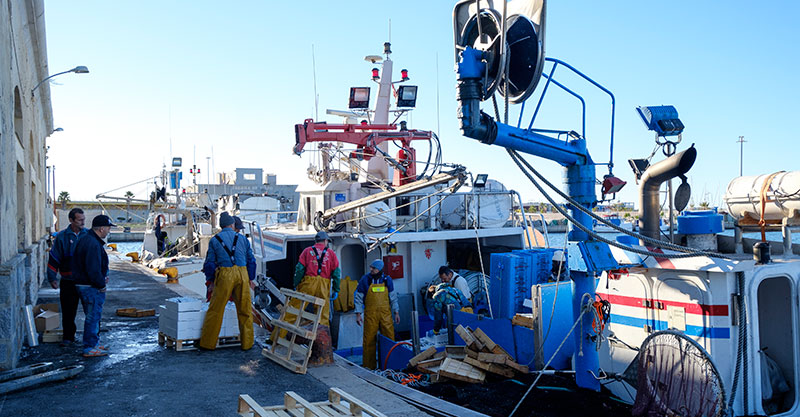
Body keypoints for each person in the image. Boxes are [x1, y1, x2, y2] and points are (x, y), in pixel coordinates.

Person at [200, 212, 257, 350]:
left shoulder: (215, 240)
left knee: (216, 309)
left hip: (225, 274)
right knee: (245, 309)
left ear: (221, 226)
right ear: (232, 225)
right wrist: (250, 278)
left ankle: (208, 344)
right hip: (242, 273)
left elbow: (210, 263)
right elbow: (251, 260)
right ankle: (247, 344)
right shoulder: (243, 239)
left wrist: (211, 281)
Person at [72, 214, 115, 357]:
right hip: (90, 286)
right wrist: (101, 284)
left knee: (93, 316)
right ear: (101, 228)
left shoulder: (88, 239)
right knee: (93, 316)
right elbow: (93, 269)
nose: (109, 231)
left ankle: (94, 343)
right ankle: (90, 347)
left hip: (85, 284)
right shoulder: (93, 244)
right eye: (108, 228)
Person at [47, 208, 87, 346]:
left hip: (86, 281)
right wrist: (52, 278)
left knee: (91, 312)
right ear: (71, 220)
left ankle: (92, 339)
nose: (83, 222)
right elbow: (54, 257)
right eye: (80, 220)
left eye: (83, 219)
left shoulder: (88, 235)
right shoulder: (62, 237)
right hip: (68, 281)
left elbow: (99, 257)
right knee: (68, 311)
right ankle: (68, 337)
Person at [285, 231, 340, 328]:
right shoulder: (331, 253)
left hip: (308, 284)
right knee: (323, 316)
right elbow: (336, 273)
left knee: (293, 311)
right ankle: (322, 336)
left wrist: (296, 284)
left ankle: (279, 334)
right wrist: (336, 289)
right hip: (324, 285)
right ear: (325, 240)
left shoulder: (307, 251)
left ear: (316, 241)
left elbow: (299, 269)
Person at [354, 259, 400, 369]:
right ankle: (369, 367)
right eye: (371, 267)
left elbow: (393, 298)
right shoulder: (365, 280)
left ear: (379, 269)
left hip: (386, 315)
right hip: (371, 315)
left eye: (373, 268)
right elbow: (358, 298)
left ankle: (390, 366)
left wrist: (396, 312)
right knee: (369, 340)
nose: (371, 269)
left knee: (389, 338)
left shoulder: (387, 280)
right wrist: (358, 314)